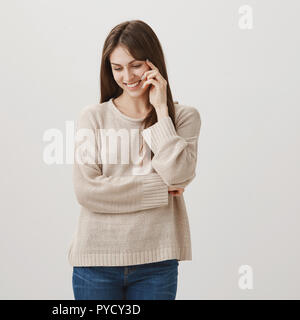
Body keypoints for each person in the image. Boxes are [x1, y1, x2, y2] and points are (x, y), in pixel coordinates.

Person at [68, 20, 202, 300]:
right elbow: (87, 190)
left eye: (135, 65)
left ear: (154, 64)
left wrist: (161, 112)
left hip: (157, 263)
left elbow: (177, 175)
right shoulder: (92, 117)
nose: (127, 76)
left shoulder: (184, 117)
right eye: (117, 68)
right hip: (96, 262)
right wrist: (158, 189)